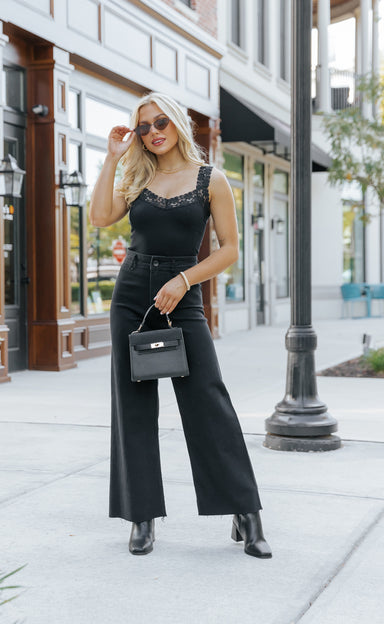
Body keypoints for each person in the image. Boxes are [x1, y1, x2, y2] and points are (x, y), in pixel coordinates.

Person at [89, 92, 272, 559]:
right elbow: (100, 217)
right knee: (132, 406)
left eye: (160, 122)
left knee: (208, 400)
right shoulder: (137, 177)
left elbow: (229, 249)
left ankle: (245, 512)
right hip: (132, 294)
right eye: (144, 127)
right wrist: (111, 159)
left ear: (178, 124)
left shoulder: (212, 179)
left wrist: (184, 279)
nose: (153, 131)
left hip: (182, 296)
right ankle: (141, 516)